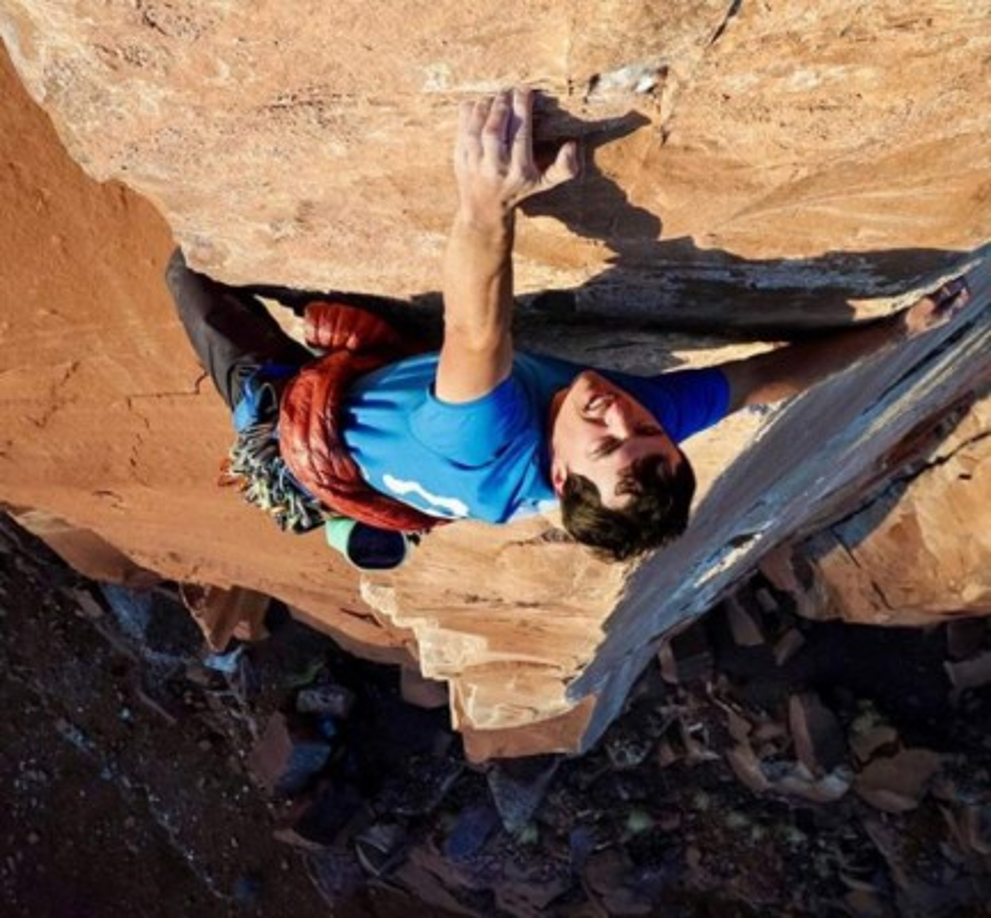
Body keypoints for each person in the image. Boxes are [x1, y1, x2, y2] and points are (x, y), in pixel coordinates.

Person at [166, 87, 973, 565]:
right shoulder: (638, 429)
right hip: (406, 434)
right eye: (648, 432)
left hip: (316, 431)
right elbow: (766, 378)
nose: (621, 415)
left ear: (561, 481)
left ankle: (318, 488)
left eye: (609, 446)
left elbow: (479, 335)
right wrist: (896, 332)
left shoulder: (493, 439)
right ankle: (365, 525)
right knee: (385, 350)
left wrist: (487, 199)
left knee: (190, 275)